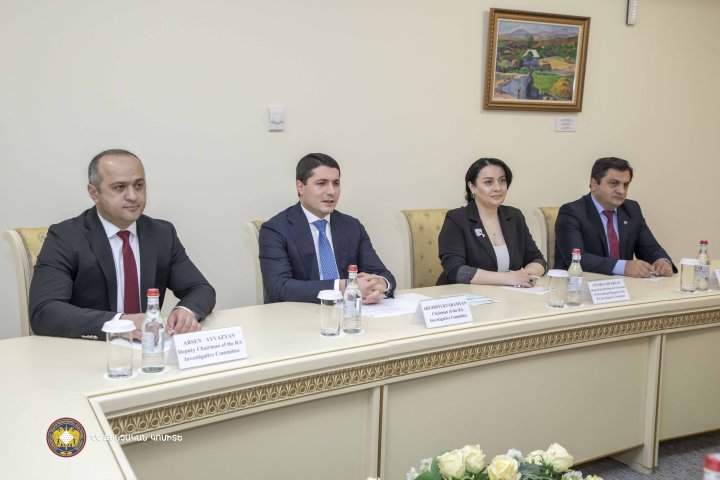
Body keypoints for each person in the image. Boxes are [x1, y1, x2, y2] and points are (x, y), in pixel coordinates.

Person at [29, 149, 216, 340]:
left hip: (148, 348)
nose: (133, 196)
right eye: (119, 187)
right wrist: (118, 323)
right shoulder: (65, 237)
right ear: (94, 193)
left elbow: (200, 289)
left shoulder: (162, 233)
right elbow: (44, 312)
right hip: (89, 349)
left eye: (139, 185)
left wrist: (186, 311)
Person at [259, 153, 395, 304]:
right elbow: (279, 287)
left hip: (349, 312)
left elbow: (381, 273)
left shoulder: (352, 226)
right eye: (322, 183)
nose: (331, 191)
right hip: (300, 312)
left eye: (336, 183)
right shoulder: (275, 229)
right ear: (300, 187)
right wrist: (345, 287)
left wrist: (380, 284)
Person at [554, 157, 675, 277]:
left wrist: (662, 261)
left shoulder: (632, 209)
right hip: (580, 285)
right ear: (594, 184)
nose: (621, 191)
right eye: (613, 183)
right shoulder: (572, 212)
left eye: (625, 185)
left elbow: (650, 248)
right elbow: (577, 259)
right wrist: (623, 267)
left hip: (625, 286)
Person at [437, 158, 546, 287]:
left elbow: (537, 260)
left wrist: (526, 275)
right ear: (472, 187)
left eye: (502, 180)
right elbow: (456, 271)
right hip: (464, 295)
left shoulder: (514, 216)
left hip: (508, 295)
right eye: (488, 182)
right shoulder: (457, 219)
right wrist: (508, 278)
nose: (498, 188)